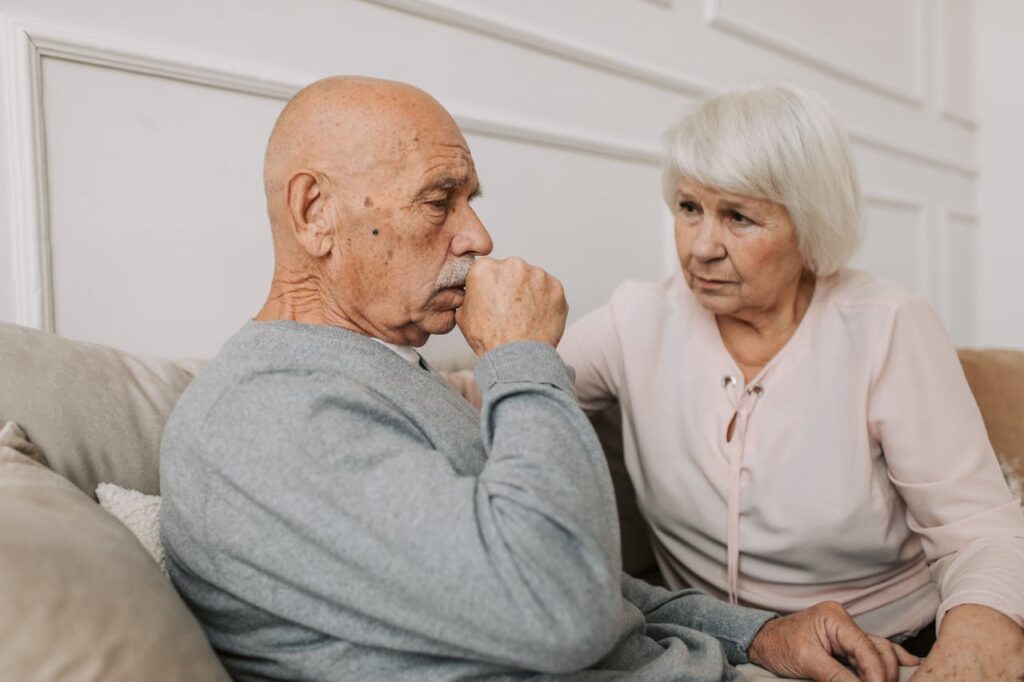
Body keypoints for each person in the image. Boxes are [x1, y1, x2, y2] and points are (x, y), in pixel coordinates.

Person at [159, 76, 910, 682]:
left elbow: (584, 577)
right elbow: (560, 604)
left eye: (471, 201)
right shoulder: (268, 412)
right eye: (438, 199)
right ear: (314, 212)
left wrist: (762, 636)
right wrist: (519, 356)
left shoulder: (376, 377)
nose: (478, 236)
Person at [555, 84, 1024, 680]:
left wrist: (970, 648)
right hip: (714, 647)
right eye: (688, 207)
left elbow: (978, 533)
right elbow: (496, 394)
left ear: (810, 225)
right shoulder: (636, 320)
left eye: (739, 217)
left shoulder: (887, 325)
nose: (701, 247)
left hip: (890, 645)